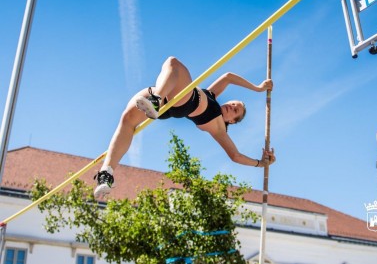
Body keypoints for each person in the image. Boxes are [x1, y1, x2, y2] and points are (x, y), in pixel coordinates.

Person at [94, 56, 276, 198]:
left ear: (232, 121)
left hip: (185, 101)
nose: (232, 106)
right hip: (166, 95)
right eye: (233, 103)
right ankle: (107, 173)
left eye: (236, 110)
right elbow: (228, 77)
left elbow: (235, 156)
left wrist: (260, 164)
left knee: (173, 63)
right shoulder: (212, 94)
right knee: (127, 119)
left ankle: (156, 100)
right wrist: (257, 87)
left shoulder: (220, 128)